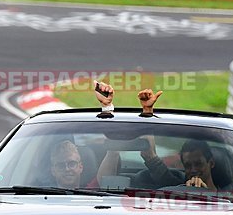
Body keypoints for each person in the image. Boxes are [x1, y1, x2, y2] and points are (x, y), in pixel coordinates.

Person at [93, 81, 221, 191]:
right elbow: (150, 156)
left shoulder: (232, 194)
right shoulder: (174, 187)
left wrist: (204, 194)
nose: (193, 170)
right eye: (188, 165)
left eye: (198, 164)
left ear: (211, 163)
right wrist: (108, 109)